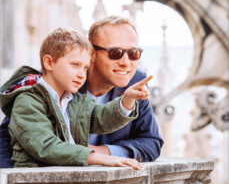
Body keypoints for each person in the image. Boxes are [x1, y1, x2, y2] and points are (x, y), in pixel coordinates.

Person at [0, 16, 163, 168]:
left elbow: (149, 141)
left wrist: (126, 103)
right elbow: (18, 140)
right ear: (91, 54)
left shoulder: (135, 82)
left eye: (133, 53)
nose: (126, 63)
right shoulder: (43, 87)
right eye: (115, 53)